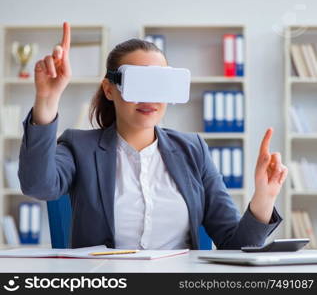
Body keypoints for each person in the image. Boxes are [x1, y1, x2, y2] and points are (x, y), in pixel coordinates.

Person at [18, 22, 288, 250]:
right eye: (137, 83)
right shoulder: (79, 146)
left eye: (158, 84)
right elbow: (37, 186)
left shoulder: (193, 150)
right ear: (110, 90)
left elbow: (235, 246)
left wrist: (264, 197)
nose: (148, 97)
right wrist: (47, 99)